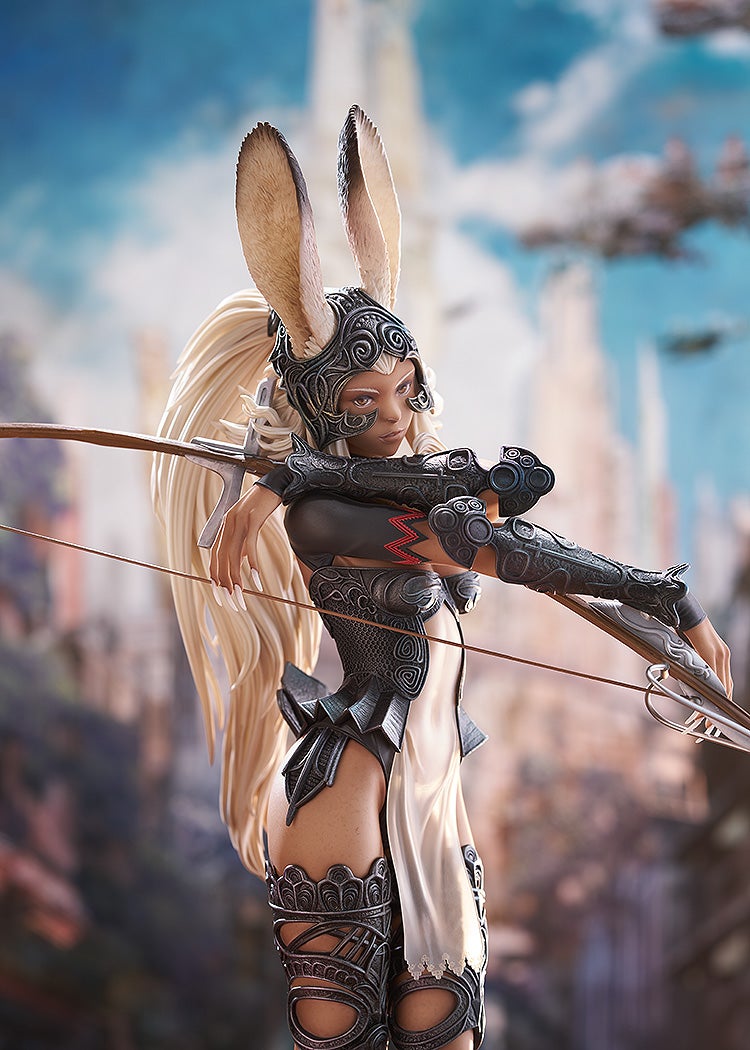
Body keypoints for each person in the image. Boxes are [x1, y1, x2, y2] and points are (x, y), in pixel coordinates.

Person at [153, 106, 732, 1050]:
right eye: (363, 400)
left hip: (432, 793)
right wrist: (662, 594)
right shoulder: (325, 517)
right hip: (354, 789)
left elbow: (500, 506)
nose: (394, 415)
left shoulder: (389, 485)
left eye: (404, 389)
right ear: (322, 410)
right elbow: (502, 551)